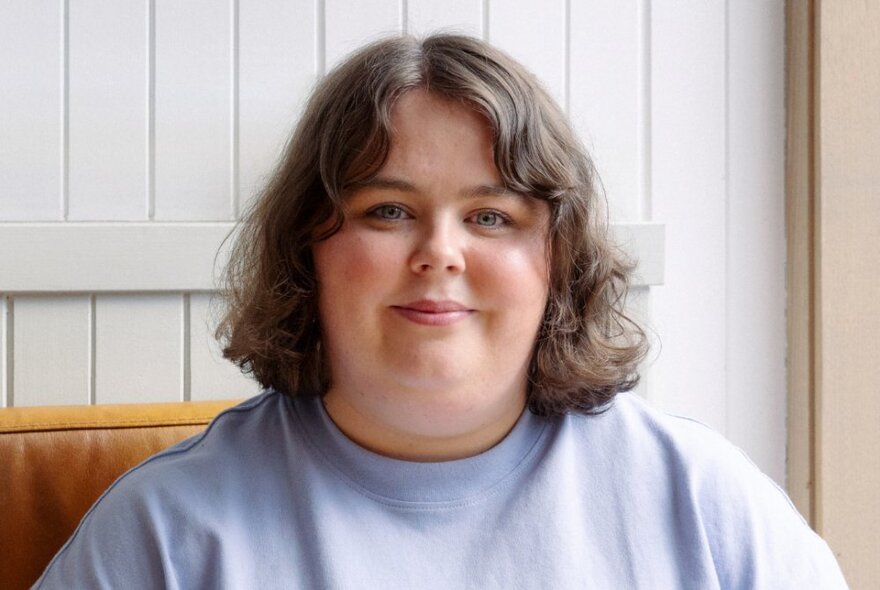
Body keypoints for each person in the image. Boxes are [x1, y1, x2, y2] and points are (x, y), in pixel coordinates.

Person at [35, 34, 846, 588]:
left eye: (492, 217)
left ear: (556, 265)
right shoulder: (164, 534)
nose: (440, 253)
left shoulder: (705, 505)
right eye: (388, 210)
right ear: (308, 247)